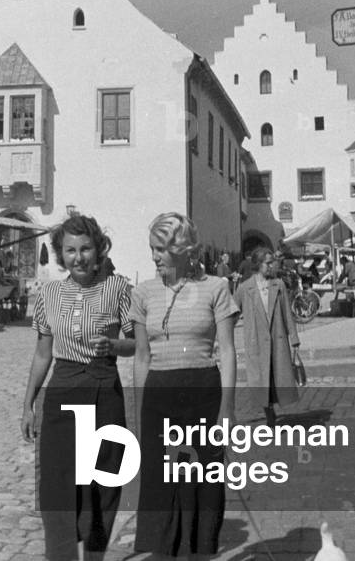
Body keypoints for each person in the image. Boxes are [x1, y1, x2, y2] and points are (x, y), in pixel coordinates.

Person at [21, 214, 134, 561]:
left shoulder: (118, 288)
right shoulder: (49, 293)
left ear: (98, 249)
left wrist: (113, 346)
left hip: (104, 392)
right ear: (60, 254)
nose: (79, 257)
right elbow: (43, 354)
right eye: (70, 250)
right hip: (62, 394)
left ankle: (95, 558)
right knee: (57, 487)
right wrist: (28, 404)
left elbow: (136, 345)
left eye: (85, 248)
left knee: (102, 485)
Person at [130, 212, 238, 559]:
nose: (154, 256)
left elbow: (228, 351)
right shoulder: (143, 293)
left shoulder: (216, 288)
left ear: (183, 249)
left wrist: (227, 411)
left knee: (204, 483)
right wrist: (138, 414)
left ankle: (201, 552)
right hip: (159, 398)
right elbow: (142, 357)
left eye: (161, 248)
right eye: (152, 248)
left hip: (203, 396)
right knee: (162, 485)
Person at [234, 246, 300, 426]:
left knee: (276, 376)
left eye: (273, 262)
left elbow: (287, 312)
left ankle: (273, 410)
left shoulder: (279, 285)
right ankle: (269, 414)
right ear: (258, 264)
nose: (272, 266)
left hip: (277, 340)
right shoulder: (244, 288)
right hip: (256, 342)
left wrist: (294, 339)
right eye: (268, 263)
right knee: (262, 379)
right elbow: (232, 312)